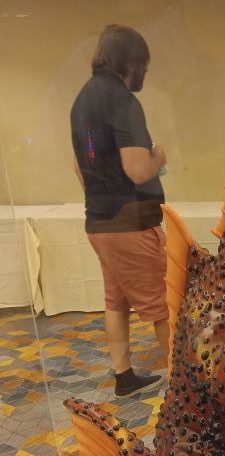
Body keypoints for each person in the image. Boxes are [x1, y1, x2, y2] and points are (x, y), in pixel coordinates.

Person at [71, 24, 170, 398]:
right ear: (130, 61)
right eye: (143, 62)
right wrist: (158, 156)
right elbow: (138, 169)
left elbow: (81, 164)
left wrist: (103, 197)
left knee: (116, 303)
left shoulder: (82, 101)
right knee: (163, 306)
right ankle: (186, 386)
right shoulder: (122, 101)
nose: (145, 70)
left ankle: (124, 377)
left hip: (99, 223)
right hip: (131, 224)